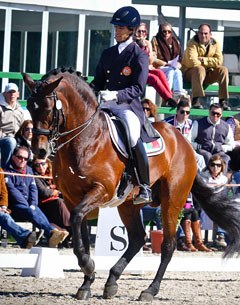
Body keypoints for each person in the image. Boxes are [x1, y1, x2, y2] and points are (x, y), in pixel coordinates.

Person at [91, 6, 159, 204]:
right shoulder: (107, 53)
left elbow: (138, 88)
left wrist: (116, 95)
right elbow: (98, 81)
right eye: (115, 27)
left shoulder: (139, 56)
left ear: (131, 29)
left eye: (120, 28)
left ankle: (144, 185)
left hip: (127, 106)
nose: (116, 31)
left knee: (131, 136)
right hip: (106, 105)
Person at [4, 146, 69, 248]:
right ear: (13, 157)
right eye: (20, 157)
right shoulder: (7, 171)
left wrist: (33, 204)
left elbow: (33, 189)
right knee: (32, 210)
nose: (23, 160)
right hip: (16, 206)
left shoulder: (29, 170)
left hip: (30, 205)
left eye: (25, 158)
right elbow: (13, 191)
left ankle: (53, 234)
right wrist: (28, 206)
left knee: (36, 209)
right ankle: (52, 233)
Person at [182, 24, 229, 110]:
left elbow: (219, 61)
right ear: (197, 33)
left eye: (206, 33)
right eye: (201, 33)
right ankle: (196, 99)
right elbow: (192, 62)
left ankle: (223, 100)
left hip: (207, 74)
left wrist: (203, 60)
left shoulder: (216, 44)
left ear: (210, 34)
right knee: (200, 69)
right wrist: (210, 62)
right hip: (190, 74)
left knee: (223, 70)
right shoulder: (191, 43)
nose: (203, 35)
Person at [134, 23, 177, 107]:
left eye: (144, 32)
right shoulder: (132, 44)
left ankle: (169, 97)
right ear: (135, 32)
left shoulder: (147, 43)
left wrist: (148, 49)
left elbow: (150, 61)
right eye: (139, 31)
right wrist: (140, 46)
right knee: (154, 78)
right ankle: (168, 99)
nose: (141, 34)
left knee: (159, 73)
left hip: (145, 69)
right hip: (136, 72)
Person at [32, 157, 71, 239]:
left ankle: (67, 231)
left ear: (47, 164)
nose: (40, 167)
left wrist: (52, 190)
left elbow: (62, 189)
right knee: (59, 202)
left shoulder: (53, 175)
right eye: (37, 165)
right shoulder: (35, 176)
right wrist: (55, 191)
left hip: (54, 203)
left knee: (66, 203)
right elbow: (44, 192)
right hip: (43, 204)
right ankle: (71, 229)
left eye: (43, 164)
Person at [191, 103, 235, 171]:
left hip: (219, 152)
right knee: (207, 156)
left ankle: (222, 179)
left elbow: (231, 144)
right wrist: (197, 146)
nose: (215, 116)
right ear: (209, 112)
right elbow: (189, 140)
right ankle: (207, 178)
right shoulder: (198, 123)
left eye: (218, 114)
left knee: (226, 158)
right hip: (202, 150)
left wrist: (223, 148)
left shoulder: (226, 126)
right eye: (213, 113)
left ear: (221, 115)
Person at [0, 167, 37, 248]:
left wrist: (3, 207)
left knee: (5, 216)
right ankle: (25, 236)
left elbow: (3, 192)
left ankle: (24, 241)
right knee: (4, 217)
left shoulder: (0, 171)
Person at [151, 22, 188, 102]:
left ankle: (178, 94)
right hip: (160, 67)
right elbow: (153, 57)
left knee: (177, 72)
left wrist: (178, 64)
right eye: (164, 31)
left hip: (172, 67)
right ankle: (167, 96)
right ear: (160, 31)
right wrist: (165, 63)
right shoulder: (155, 40)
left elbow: (180, 57)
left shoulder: (175, 41)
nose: (167, 33)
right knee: (170, 71)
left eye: (169, 31)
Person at [164, 100, 206, 171]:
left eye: (187, 112)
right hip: (172, 151)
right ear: (177, 111)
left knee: (200, 159)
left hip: (186, 150)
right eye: (182, 112)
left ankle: (202, 179)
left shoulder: (191, 124)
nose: (185, 114)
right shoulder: (167, 123)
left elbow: (191, 141)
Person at [200, 155, 229, 248]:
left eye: (218, 165)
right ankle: (207, 239)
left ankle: (221, 236)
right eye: (213, 165)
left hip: (218, 203)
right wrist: (212, 187)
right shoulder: (202, 177)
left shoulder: (224, 179)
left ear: (222, 167)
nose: (215, 167)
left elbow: (224, 195)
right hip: (205, 203)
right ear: (209, 166)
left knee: (225, 211)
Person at [0, 83, 24, 168]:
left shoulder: (20, 110)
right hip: (3, 138)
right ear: (4, 94)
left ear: (18, 94)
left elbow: (23, 127)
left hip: (16, 137)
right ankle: (4, 170)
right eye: (9, 92)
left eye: (14, 92)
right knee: (11, 142)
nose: (12, 94)